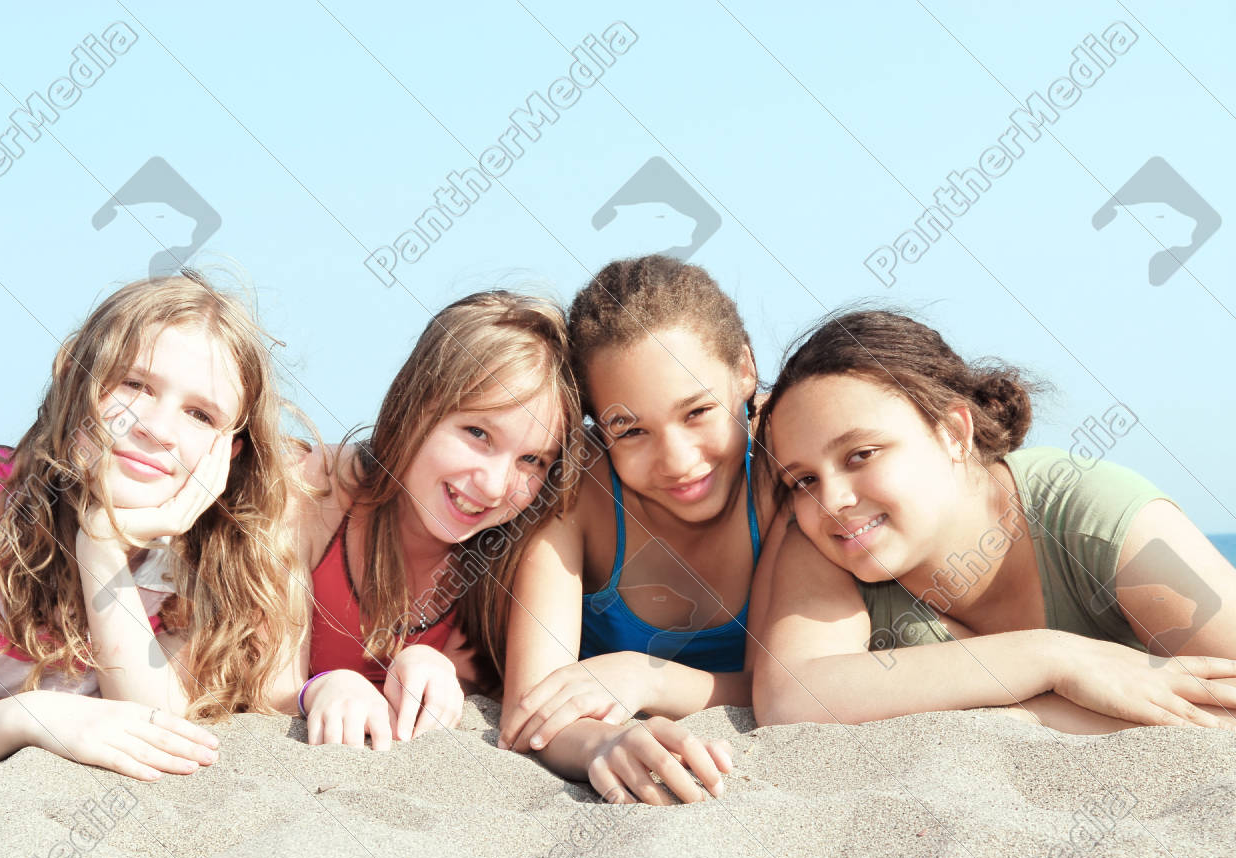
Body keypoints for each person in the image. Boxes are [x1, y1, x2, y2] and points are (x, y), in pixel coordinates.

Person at [0, 270, 311, 783]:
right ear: (77, 382)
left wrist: (102, 546)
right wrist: (27, 717)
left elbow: (159, 729)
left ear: (229, 452)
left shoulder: (213, 551)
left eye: (200, 414)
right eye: (135, 384)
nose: (157, 428)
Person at [755, 308, 1236, 733]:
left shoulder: (1096, 515)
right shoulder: (828, 541)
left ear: (953, 433)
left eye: (861, 454)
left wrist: (1013, 711)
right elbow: (790, 697)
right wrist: (1054, 660)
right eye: (802, 481)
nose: (831, 499)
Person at [499, 256, 786, 805]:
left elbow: (801, 681)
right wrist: (603, 743)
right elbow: (530, 708)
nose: (677, 461)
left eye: (698, 410)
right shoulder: (577, 497)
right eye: (630, 430)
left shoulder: (787, 467)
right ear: (595, 424)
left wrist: (647, 677)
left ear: (745, 369)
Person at [290, 291, 582, 750]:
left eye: (532, 460)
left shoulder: (506, 556)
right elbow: (244, 668)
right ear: (415, 404)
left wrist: (435, 664)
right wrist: (319, 687)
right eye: (478, 433)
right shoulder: (313, 490)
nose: (493, 485)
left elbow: (490, 683)